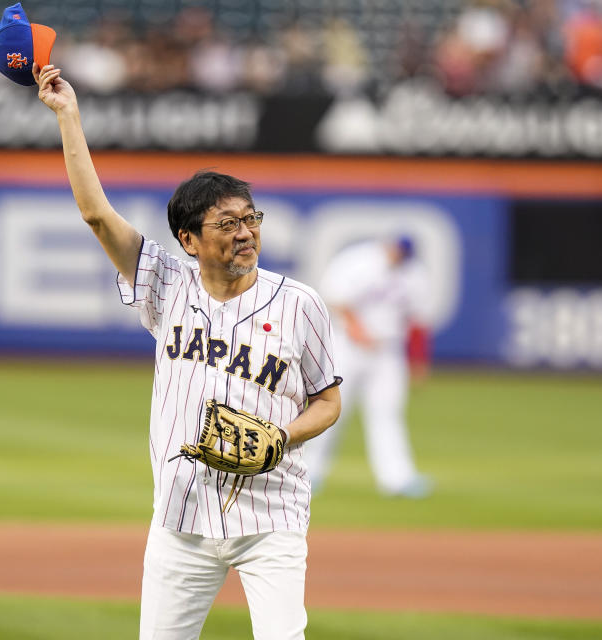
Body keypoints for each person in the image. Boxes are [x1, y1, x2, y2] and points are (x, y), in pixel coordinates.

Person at [32, 62, 342, 640]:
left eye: (251, 218)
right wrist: (68, 116)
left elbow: (329, 400)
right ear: (189, 239)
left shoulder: (300, 304)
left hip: (271, 517)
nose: (246, 231)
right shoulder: (165, 284)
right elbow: (96, 215)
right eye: (228, 223)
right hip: (179, 517)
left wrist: (284, 436)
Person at [303, 235, 432, 499]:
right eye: (397, 252)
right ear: (388, 245)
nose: (399, 258)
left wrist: (418, 360)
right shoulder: (359, 261)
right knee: (330, 410)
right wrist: (357, 329)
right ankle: (307, 472)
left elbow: (418, 320)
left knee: (387, 412)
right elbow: (334, 298)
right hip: (347, 347)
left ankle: (397, 478)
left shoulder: (415, 274)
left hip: (388, 351)